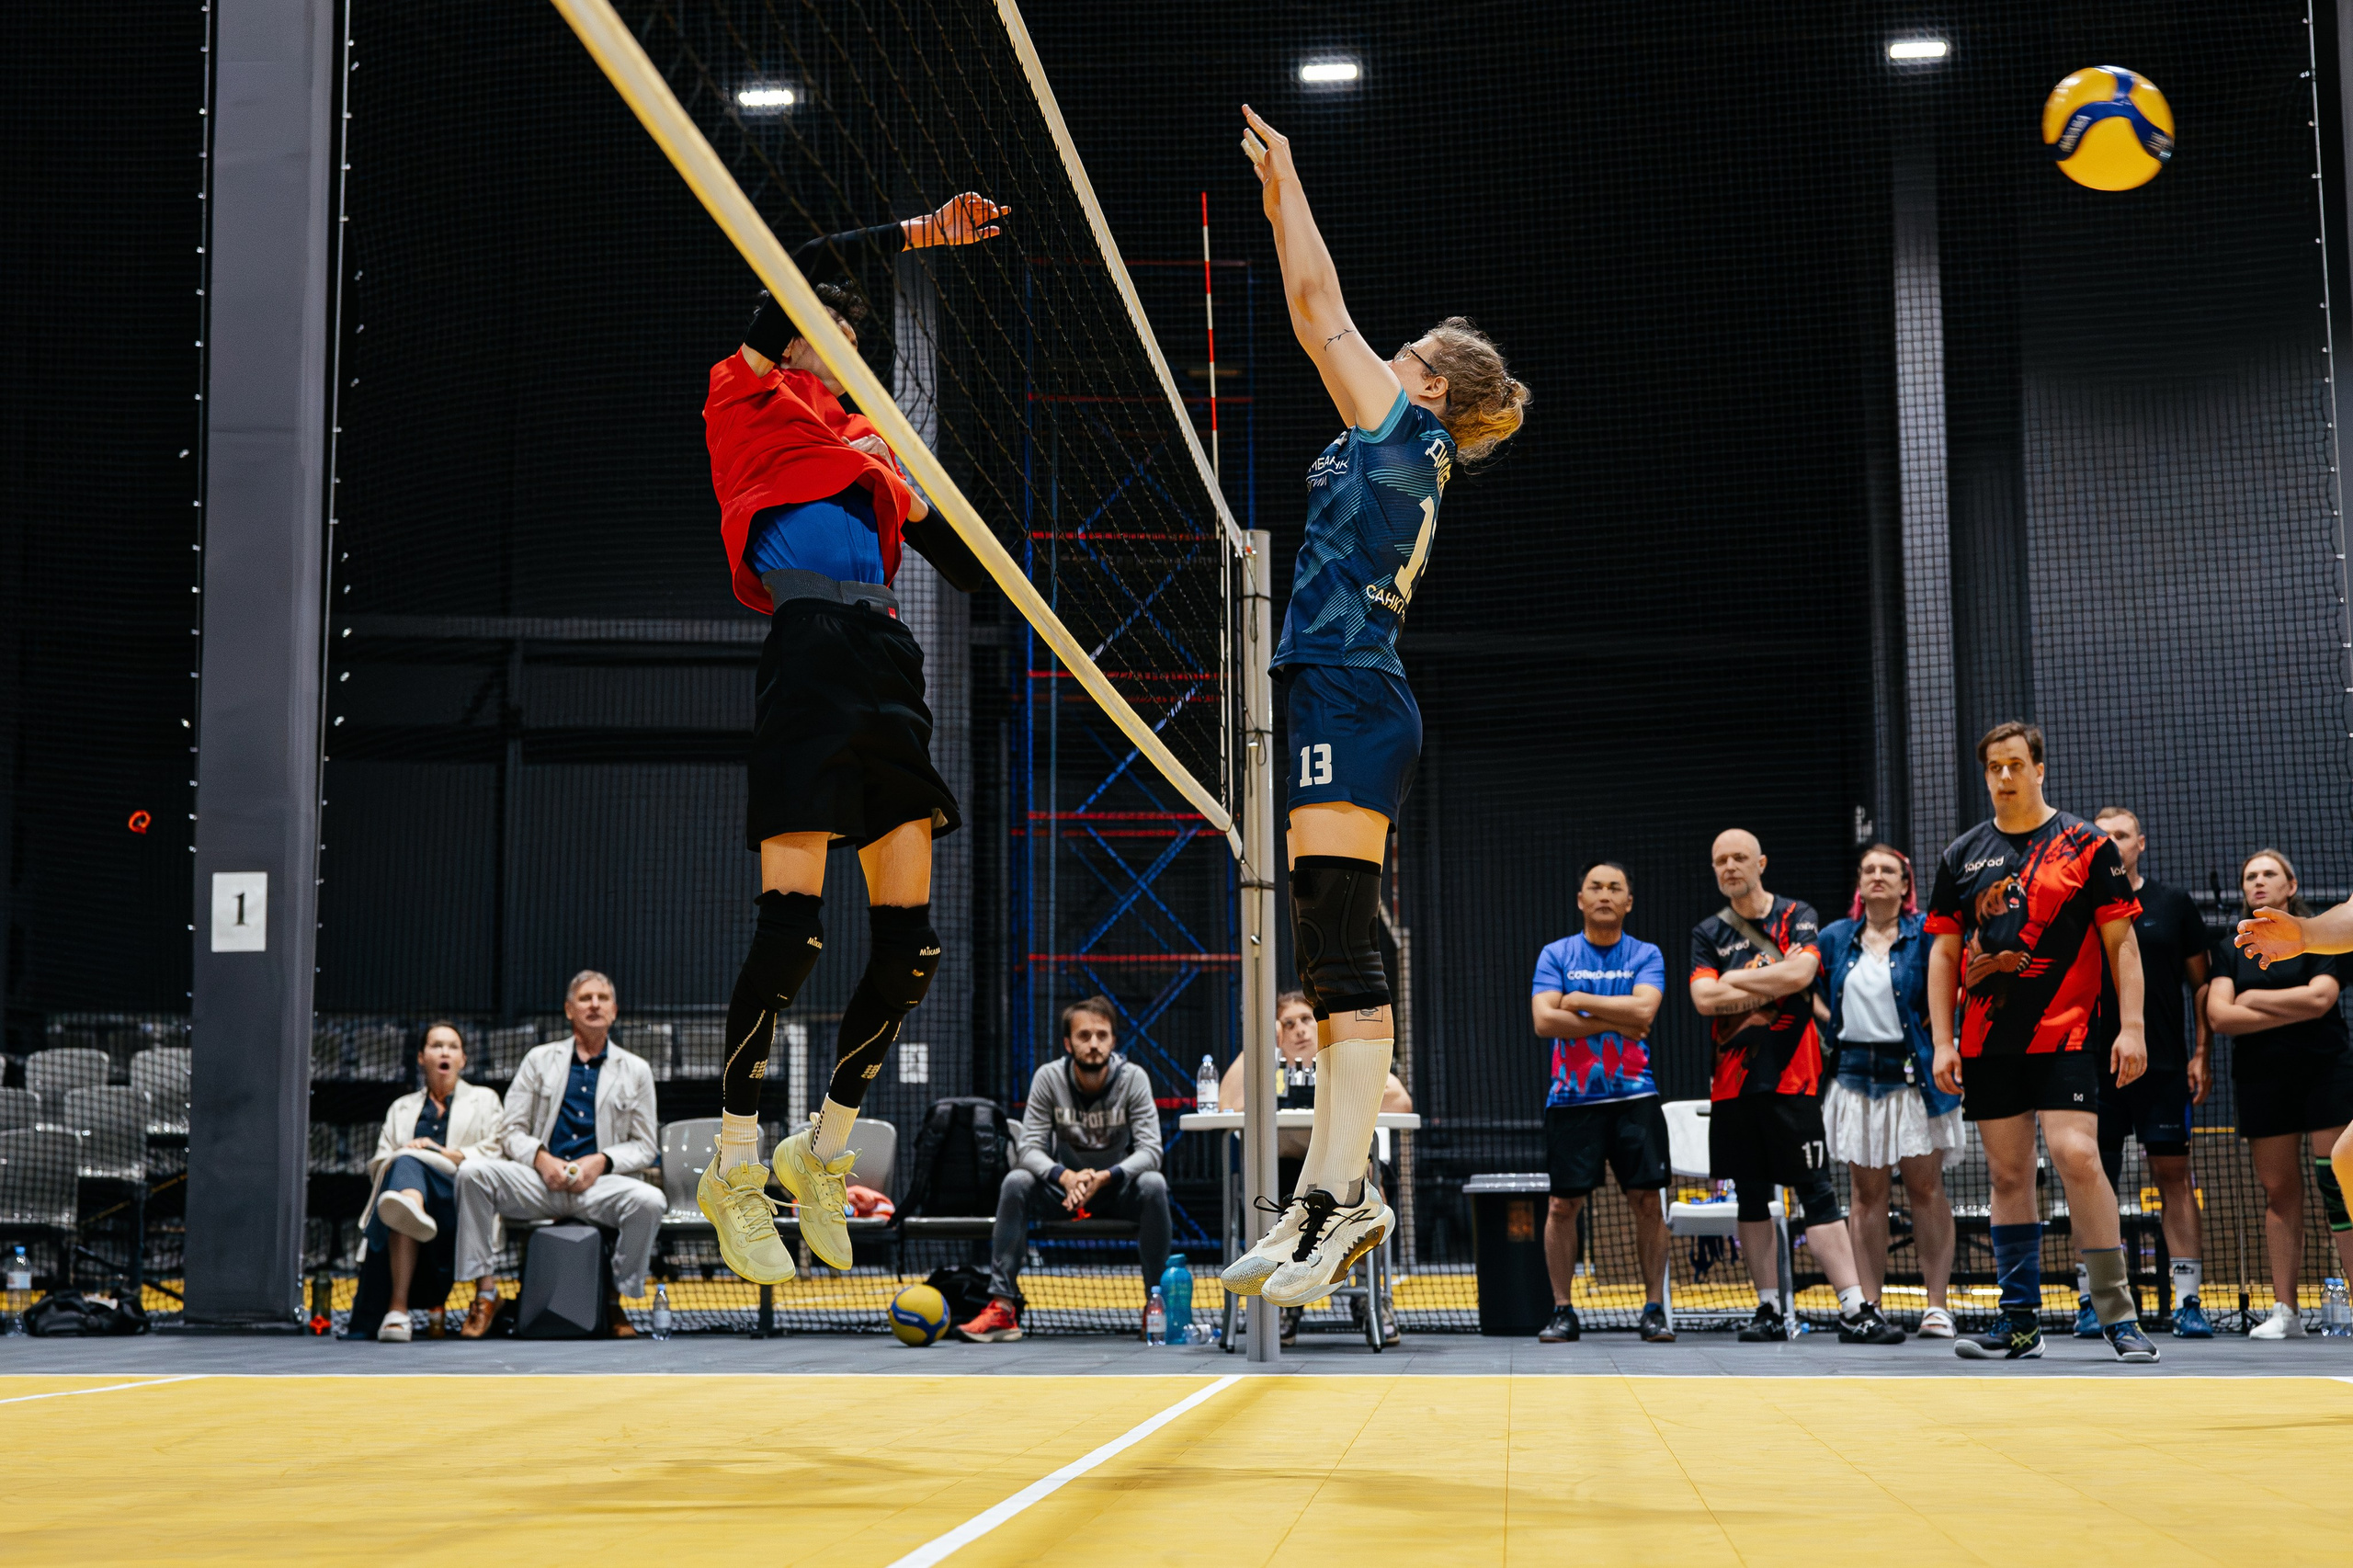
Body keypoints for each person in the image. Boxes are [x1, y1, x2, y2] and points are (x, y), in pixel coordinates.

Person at [1218, 105, 1530, 1315]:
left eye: (1403, 351)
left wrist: (1285, 185)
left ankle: (1343, 1193)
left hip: (1351, 687)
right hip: (1338, 686)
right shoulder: (1398, 444)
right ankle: (1329, 1195)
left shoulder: (1402, 429)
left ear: (1433, 380)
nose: (1384, 358)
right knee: (1335, 938)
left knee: (1341, 936)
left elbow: (1313, 312)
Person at [695, 194, 1006, 1289]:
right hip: (807, 648)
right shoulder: (747, 386)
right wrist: (922, 234)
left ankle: (820, 1150)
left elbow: (962, 560)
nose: (851, 353)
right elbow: (810, 253)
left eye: (859, 342)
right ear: (793, 334)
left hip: (889, 657)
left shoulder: (872, 441)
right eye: (834, 336)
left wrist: (1047, 594)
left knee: (911, 943)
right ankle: (735, 1166)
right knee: (792, 935)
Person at [1925, 721, 2160, 1362]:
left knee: (2076, 1154)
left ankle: (2116, 1314)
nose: (2004, 777)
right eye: (1993, 768)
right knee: (2006, 1173)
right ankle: (2020, 1321)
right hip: (1985, 1040)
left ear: (2040, 769)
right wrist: (1943, 1042)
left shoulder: (2086, 845)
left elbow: (2123, 945)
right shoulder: (1962, 856)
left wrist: (2133, 1027)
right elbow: (1944, 954)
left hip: (2066, 1034)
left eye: (2014, 765)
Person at [1689, 830, 1903, 1345]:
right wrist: (1771, 976)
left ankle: (1854, 1308)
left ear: (1761, 862)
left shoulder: (1796, 914)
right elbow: (1702, 998)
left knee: (1815, 1190)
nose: (1730, 867)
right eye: (1721, 860)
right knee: (1751, 1196)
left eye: (1739, 857)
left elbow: (1803, 972)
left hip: (1794, 1077)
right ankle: (1768, 1310)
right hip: (1732, 1084)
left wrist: (1734, 981)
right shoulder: (1707, 931)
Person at [453, 971, 664, 1338]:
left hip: (599, 1186)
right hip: (540, 1183)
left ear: (614, 1011)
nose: (594, 1004)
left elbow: (646, 1146)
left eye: (602, 998)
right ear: (569, 1009)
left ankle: (615, 1300)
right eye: (585, 998)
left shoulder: (636, 1070)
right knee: (472, 1173)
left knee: (650, 1201)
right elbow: (510, 1130)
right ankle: (485, 1294)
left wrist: (602, 1161)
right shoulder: (539, 1060)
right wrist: (541, 1159)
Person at [955, 997, 1170, 1344]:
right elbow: (1028, 1149)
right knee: (1017, 1181)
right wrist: (1066, 1176)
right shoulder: (1049, 1077)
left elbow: (1151, 1151)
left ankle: (1155, 1306)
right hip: (1064, 1193)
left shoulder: (1134, 1079)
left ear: (1114, 1041)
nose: (1094, 1043)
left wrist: (1105, 1177)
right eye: (1084, 1035)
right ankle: (1002, 1306)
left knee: (1154, 1184)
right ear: (1068, 1043)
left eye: (1102, 1035)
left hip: (1113, 1191)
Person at [1814, 845, 1961, 1340]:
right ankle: (1868, 1306)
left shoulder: (1927, 937)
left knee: (1926, 1189)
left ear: (1905, 885)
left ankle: (1937, 1306)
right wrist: (1830, 1025)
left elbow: (1954, 983)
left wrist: (1936, 1032)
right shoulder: (1836, 938)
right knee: (1865, 1195)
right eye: (1869, 870)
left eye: (1888, 871)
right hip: (1854, 1073)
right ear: (1859, 884)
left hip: (1913, 1072)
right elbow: (1804, 982)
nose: (1878, 877)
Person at [2208, 847, 2353, 1338]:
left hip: (2326, 1072)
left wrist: (2252, 999)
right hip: (2262, 1080)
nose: (2259, 882)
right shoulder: (2230, 946)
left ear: (2291, 886)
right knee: (2279, 1191)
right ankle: (2285, 1312)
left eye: (2270, 873)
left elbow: (2321, 999)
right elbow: (2219, 1016)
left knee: (2338, 1185)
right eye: (2250, 876)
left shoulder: (2319, 935)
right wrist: (2284, 1006)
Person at [1218, 990, 1413, 1346]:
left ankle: (1371, 1296)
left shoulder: (1346, 1065)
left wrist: (1350, 1091)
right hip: (1289, 1180)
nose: (1299, 1031)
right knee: (1278, 1178)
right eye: (1288, 1024)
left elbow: (1401, 1102)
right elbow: (1227, 1105)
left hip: (1350, 1174)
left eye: (1307, 1020)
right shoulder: (1267, 1072)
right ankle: (1287, 1293)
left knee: (1370, 1179)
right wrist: (1261, 1041)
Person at [2083, 807, 2212, 1339]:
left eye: (2120, 835)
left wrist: (2201, 1052)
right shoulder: (2082, 906)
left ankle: (2188, 1302)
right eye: (2102, 837)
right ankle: (2096, 1302)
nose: (2111, 843)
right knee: (2093, 1181)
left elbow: (2201, 985)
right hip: (2093, 1067)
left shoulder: (2172, 905)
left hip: (2160, 1067)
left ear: (2141, 842)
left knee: (2173, 1178)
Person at [1529, 861, 1671, 1345]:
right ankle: (1563, 1310)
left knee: (1647, 1201)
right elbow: (1545, 1023)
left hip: (1636, 1095)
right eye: (1596, 887)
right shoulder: (1555, 953)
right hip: (1571, 1100)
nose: (1605, 894)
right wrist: (1616, 1021)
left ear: (1629, 901)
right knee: (1562, 1205)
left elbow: (1646, 1009)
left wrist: (1576, 999)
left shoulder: (1646, 953)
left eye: (1615, 888)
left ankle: (1654, 1309)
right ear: (1581, 899)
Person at [358, 1021, 504, 1342]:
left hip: (460, 1192)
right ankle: (411, 1205)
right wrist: (403, 1154)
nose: (444, 1052)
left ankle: (398, 1310)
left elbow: (496, 1153)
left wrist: (439, 1152)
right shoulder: (402, 1108)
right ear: (422, 1057)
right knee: (401, 1170)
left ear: (463, 1059)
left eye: (452, 1046)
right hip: (409, 1195)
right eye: (436, 1046)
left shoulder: (486, 1099)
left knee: (408, 1168)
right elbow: (379, 1164)